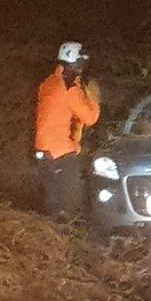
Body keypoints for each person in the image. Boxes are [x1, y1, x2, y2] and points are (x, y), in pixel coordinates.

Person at [35, 42, 102, 221]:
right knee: (69, 204)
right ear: (74, 61)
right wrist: (94, 99)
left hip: (43, 149)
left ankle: (50, 240)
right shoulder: (69, 88)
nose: (83, 65)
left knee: (52, 202)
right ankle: (65, 240)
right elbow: (90, 118)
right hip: (61, 151)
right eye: (81, 61)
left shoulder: (49, 82)